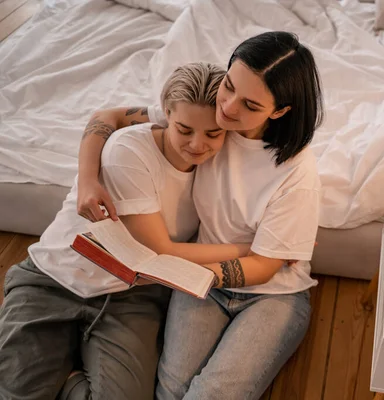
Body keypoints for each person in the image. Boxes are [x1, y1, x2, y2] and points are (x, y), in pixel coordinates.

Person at [77, 31, 324, 400]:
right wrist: (87, 180)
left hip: (273, 294)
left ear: (279, 111)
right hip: (203, 285)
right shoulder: (207, 116)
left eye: (250, 106)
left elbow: (267, 267)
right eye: (229, 85)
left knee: (210, 395)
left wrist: (179, 269)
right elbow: (107, 116)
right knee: (171, 391)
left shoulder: (296, 173)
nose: (229, 108)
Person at [0, 62, 252, 400]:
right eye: (184, 129)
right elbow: (161, 248)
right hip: (55, 278)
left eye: (212, 134)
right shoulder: (128, 149)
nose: (197, 145)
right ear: (165, 115)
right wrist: (250, 250)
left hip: (131, 297)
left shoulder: (224, 161)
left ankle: (62, 376)